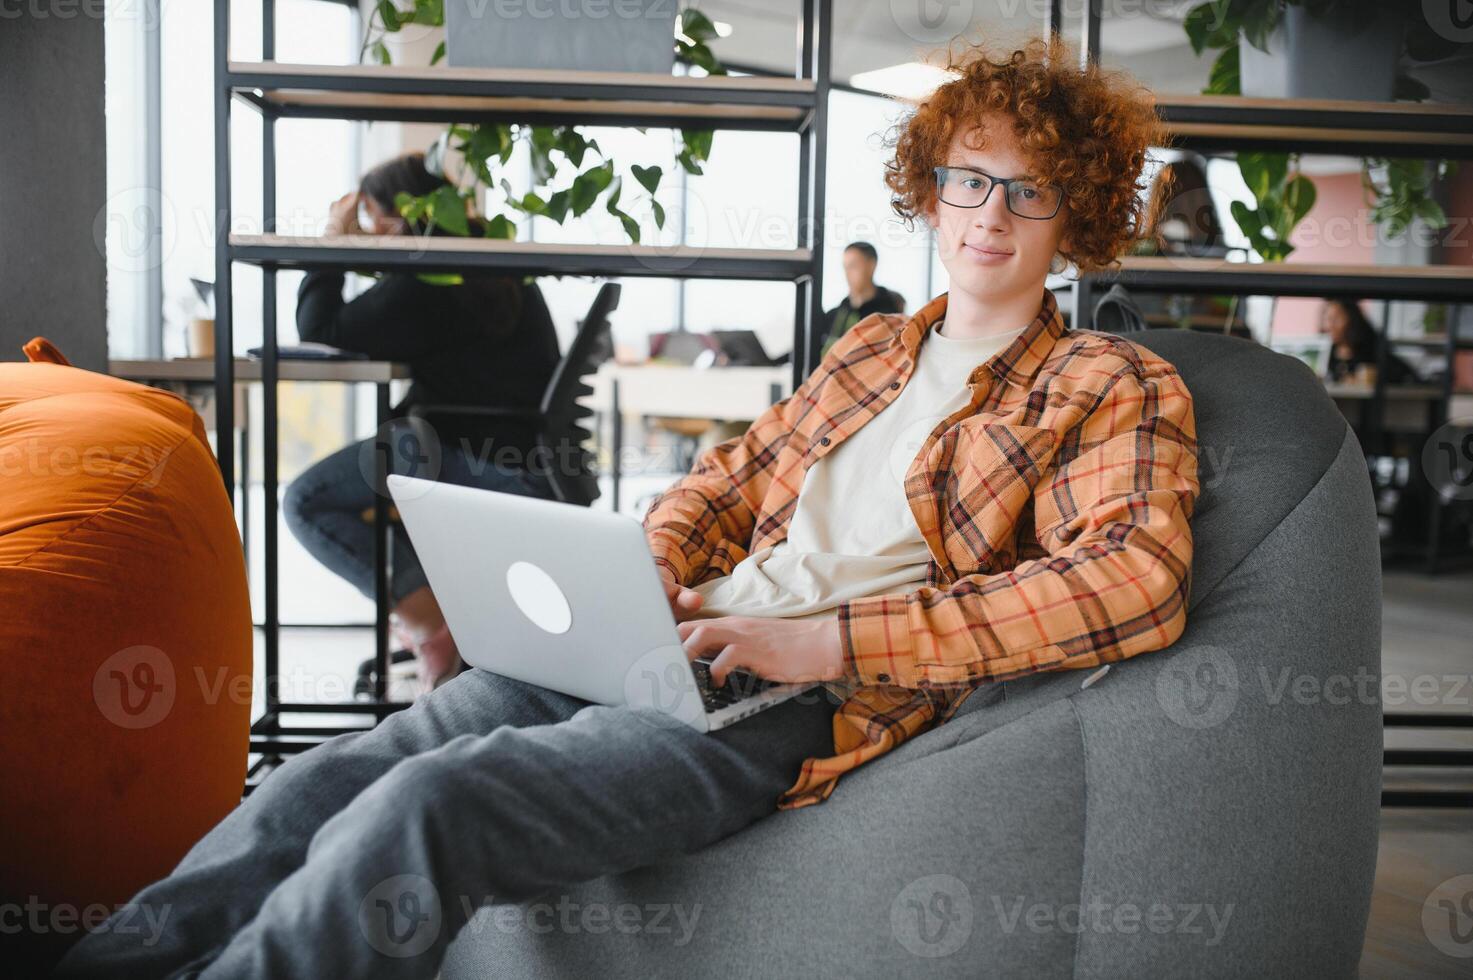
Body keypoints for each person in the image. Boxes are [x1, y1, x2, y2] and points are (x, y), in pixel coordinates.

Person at [55, 36, 1198, 978]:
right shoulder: (871, 352)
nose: (990, 210)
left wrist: (820, 637)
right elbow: (724, 478)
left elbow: (1133, 580)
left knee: (435, 804)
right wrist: (648, 564)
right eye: (968, 175)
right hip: (675, 627)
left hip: (793, 689)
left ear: (1074, 214)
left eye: (1028, 188)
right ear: (930, 186)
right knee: (329, 773)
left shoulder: (1108, 380)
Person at [283, 151, 563, 694]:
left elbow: (321, 327)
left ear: (392, 217)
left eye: (370, 219)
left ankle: (434, 628)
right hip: (521, 460)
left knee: (306, 502)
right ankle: (439, 618)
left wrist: (331, 246)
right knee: (387, 456)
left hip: (462, 456)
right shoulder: (487, 261)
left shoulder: (428, 276)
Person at [819, 241, 905, 357]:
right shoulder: (833, 316)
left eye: (853, 266)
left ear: (872, 265)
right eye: (845, 267)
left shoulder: (890, 315)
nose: (847, 273)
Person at [1318, 297, 1415, 384]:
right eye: (1327, 319)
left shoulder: (1372, 352)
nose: (1329, 326)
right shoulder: (1322, 355)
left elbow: (1404, 374)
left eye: (1336, 319)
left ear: (1352, 320)